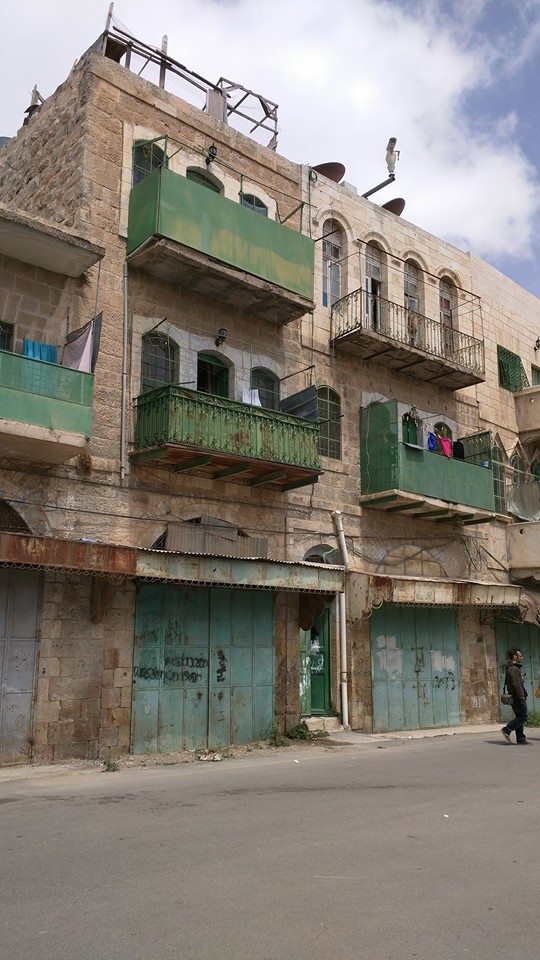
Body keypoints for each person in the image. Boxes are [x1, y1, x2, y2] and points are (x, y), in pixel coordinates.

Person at [501, 648, 530, 745]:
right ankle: (507, 729)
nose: (521, 657)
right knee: (523, 716)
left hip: (517, 696)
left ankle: (521, 739)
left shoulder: (513, 668)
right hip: (517, 697)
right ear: (515, 657)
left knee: (519, 716)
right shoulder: (513, 669)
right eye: (520, 656)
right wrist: (521, 697)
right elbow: (516, 684)